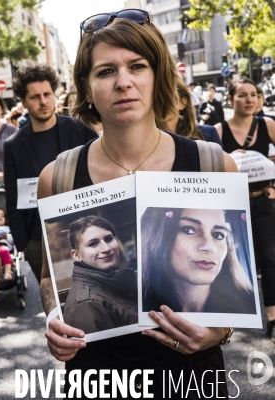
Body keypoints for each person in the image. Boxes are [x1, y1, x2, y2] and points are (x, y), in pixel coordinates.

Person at [37, 11, 238, 397]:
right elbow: (51, 275)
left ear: (158, 74)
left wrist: (219, 332)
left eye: (137, 66)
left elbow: (234, 275)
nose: (124, 83)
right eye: (106, 71)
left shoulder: (213, 164)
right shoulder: (57, 177)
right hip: (96, 377)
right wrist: (53, 317)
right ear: (87, 86)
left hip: (192, 378)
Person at [4, 64, 97, 283]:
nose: (43, 101)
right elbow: (12, 198)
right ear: (24, 101)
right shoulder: (14, 145)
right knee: (55, 304)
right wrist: (24, 244)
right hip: (39, 240)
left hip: (85, 230)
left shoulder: (79, 129)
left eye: (47, 94)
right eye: (35, 97)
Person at [215, 77, 275, 342]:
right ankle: (226, 324)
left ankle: (272, 317)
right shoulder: (218, 131)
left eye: (254, 94)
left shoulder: (268, 125)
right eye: (242, 95)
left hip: (263, 201)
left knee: (269, 259)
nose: (249, 100)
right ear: (230, 99)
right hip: (232, 206)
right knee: (232, 261)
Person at [141, 208, 255, 314]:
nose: (209, 247)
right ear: (157, 237)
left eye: (218, 235)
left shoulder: (251, 306)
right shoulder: (134, 309)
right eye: (188, 230)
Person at [62, 216, 137, 333]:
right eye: (93, 244)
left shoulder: (114, 279)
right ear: (76, 255)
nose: (106, 248)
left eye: (108, 239)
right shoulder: (86, 305)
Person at [157, 78, 223, 147]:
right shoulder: (147, 144)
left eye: (167, 97)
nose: (160, 102)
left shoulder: (208, 134)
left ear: (182, 102)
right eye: (155, 97)